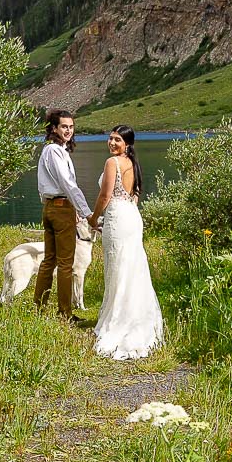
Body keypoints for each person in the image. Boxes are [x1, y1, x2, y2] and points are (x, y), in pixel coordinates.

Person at [89, 125, 165, 360]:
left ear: (127, 144)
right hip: (131, 215)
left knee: (119, 267)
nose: (112, 143)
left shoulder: (113, 163)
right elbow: (136, 194)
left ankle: (119, 319)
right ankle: (134, 316)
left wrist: (93, 218)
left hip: (117, 218)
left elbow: (105, 195)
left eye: (117, 140)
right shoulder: (133, 163)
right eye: (110, 139)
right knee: (132, 266)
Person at [32, 110, 92, 318]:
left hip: (50, 207)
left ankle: (39, 308)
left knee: (49, 260)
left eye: (71, 127)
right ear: (54, 128)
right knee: (66, 263)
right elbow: (68, 184)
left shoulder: (48, 150)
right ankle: (65, 313)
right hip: (61, 207)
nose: (68, 130)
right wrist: (86, 213)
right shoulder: (55, 151)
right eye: (64, 126)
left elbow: (44, 185)